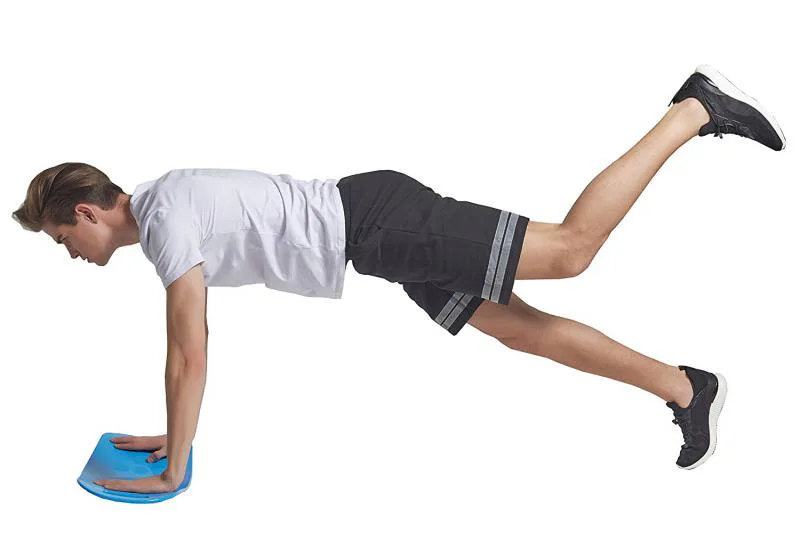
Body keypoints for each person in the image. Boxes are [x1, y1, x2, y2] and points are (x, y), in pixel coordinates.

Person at [12, 64, 785, 493]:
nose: (68, 253)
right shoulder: (165, 206)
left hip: (382, 223)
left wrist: (176, 464)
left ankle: (694, 111)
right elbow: (190, 352)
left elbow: (189, 352)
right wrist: (173, 436)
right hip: (379, 243)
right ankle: (687, 389)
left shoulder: (166, 216)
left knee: (571, 250)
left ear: (85, 211)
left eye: (61, 238)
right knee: (521, 330)